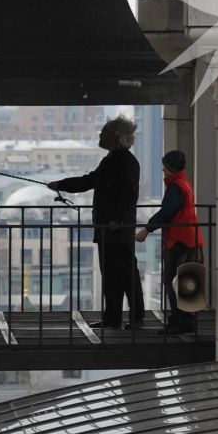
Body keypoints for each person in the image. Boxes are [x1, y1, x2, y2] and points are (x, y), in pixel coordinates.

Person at [49, 114, 143, 330]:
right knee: (113, 275)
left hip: (115, 229)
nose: (100, 135)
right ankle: (114, 318)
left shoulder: (121, 161)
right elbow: (91, 180)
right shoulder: (115, 159)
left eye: (104, 132)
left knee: (125, 274)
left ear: (116, 136)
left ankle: (133, 318)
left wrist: (116, 220)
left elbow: (127, 194)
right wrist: (61, 184)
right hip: (110, 229)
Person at [136, 150, 202, 334]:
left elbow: (167, 212)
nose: (163, 169)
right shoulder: (185, 184)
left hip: (179, 239)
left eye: (165, 166)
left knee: (172, 280)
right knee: (187, 280)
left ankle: (178, 321)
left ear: (170, 167)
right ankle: (188, 320)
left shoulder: (175, 187)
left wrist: (147, 229)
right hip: (191, 237)